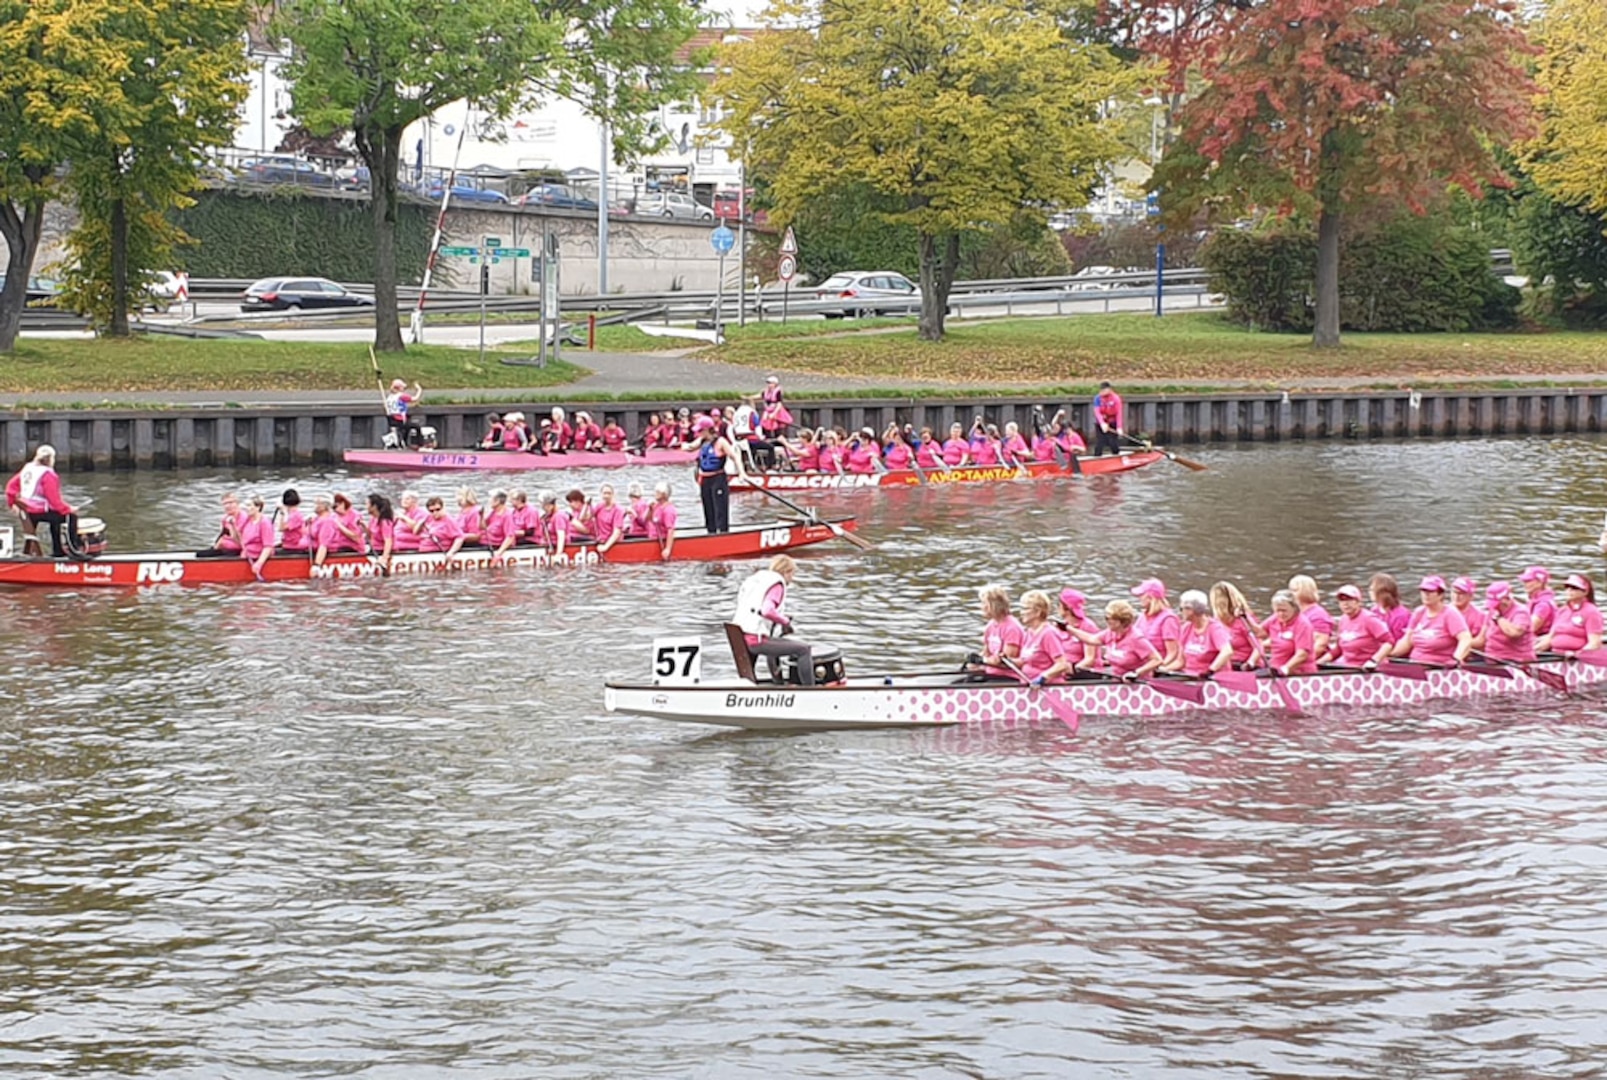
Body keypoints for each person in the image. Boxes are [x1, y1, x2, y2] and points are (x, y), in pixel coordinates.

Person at [735, 554, 816, 685]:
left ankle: (778, 684)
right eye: (792, 574)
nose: (792, 578)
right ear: (786, 572)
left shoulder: (758, 581)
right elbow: (767, 610)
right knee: (803, 650)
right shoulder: (777, 585)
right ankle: (811, 691)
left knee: (774, 642)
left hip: (742, 636)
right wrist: (785, 621)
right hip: (756, 640)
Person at [6, 445, 78, 558]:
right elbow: (54, 501)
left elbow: (10, 487)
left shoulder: (27, 469)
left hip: (26, 512)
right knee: (71, 517)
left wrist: (12, 504)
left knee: (56, 517)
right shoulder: (48, 475)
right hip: (38, 511)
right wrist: (69, 509)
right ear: (51, 459)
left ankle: (37, 552)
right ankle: (73, 550)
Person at [1391, 575, 1472, 666]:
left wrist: (1456, 659)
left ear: (1440, 594)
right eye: (1424, 591)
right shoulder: (1419, 613)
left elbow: (1465, 639)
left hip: (1440, 668)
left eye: (1430, 591)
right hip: (1416, 665)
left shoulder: (1450, 613)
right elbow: (1407, 641)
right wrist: (1388, 655)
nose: (1426, 595)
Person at [1078, 599, 1162, 681]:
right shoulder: (1110, 633)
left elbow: (1157, 660)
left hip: (1137, 683)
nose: (1106, 620)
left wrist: (1136, 673)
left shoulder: (1136, 638)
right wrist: (1067, 628)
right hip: (1117, 678)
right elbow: (1090, 640)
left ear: (1119, 621)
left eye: (1108, 618)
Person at [694, 416, 745, 534]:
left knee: (720, 510)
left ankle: (723, 533)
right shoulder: (702, 441)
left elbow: (735, 457)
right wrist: (684, 446)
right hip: (705, 480)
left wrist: (741, 473)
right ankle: (710, 533)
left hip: (718, 479)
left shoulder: (721, 442)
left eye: (700, 430)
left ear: (707, 430)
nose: (698, 433)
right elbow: (690, 447)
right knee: (708, 510)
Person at [1328, 583, 1393, 669]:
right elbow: (1338, 649)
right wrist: (1318, 663)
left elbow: (1389, 642)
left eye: (1350, 600)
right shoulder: (1343, 620)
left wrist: (1373, 661)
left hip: (1369, 668)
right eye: (1342, 600)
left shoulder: (1369, 619)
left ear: (1358, 602)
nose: (1345, 604)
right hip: (1350, 666)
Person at [1536, 573, 1603, 656]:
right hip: (1555, 655)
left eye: (1574, 588)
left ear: (1585, 592)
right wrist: (1531, 650)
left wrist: (1577, 654)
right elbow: (1550, 638)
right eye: (1567, 587)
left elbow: (1594, 643)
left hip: (1575, 658)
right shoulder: (1562, 611)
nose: (1569, 590)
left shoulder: (1592, 612)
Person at [1172, 589, 1233, 677]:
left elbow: (1227, 652)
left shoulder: (1215, 628)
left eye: (1182, 609)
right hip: (1190, 676)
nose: (1180, 612)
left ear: (1192, 610)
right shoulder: (1185, 628)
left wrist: (1210, 670)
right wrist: (1161, 669)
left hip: (1211, 678)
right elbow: (1180, 662)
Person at [1017, 590, 1072, 685]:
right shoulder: (1029, 632)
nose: (1021, 613)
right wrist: (1006, 660)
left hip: (1048, 687)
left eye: (1025, 609)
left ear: (1037, 612)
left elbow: (1062, 664)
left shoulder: (1048, 633)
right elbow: (1024, 661)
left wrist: (1043, 677)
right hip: (1028, 686)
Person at [971, 584, 1025, 678]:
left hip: (1009, 676)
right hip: (991, 673)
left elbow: (1006, 662)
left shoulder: (1012, 628)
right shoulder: (990, 626)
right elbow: (986, 652)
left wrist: (983, 660)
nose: (981, 607)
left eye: (984, 603)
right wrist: (974, 662)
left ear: (994, 605)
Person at [1130, 578, 1182, 670]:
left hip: (1155, 666)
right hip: (1141, 663)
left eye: (1141, 595)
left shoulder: (1168, 619)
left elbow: (1173, 653)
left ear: (1150, 597)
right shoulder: (1143, 616)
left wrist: (1159, 667)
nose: (1139, 598)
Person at [1209, 580, 1264, 668]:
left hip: (1245, 665)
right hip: (1228, 664)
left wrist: (1250, 663)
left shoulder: (1242, 620)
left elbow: (1258, 647)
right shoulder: (1214, 622)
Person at [1263, 589, 1318, 675]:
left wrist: (1285, 669)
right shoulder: (1275, 618)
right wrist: (1244, 617)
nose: (1280, 614)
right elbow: (1258, 632)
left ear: (1294, 608)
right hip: (1276, 668)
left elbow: (1302, 654)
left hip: (1299, 673)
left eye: (1284, 610)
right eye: (1277, 610)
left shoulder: (1303, 624)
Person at [1482, 581, 1537, 664]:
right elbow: (1481, 639)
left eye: (1497, 604)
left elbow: (1514, 633)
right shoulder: (1492, 611)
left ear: (1506, 599)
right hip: (1492, 660)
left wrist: (1499, 619)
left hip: (1516, 661)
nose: (1494, 607)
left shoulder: (1521, 612)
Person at [1051, 588, 1101, 669]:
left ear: (1067, 608)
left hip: (1083, 672)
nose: (1057, 608)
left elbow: (1089, 659)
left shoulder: (1088, 626)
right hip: (1063, 667)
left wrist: (1072, 670)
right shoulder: (1059, 626)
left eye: (1059, 604)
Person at [1288, 575, 1334, 661]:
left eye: (1294, 591)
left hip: (1309, 661)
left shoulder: (1318, 615)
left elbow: (1320, 645)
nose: (1290, 594)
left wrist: (1300, 661)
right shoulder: (1294, 613)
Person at [199, 493, 248, 558]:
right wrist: (215, 547)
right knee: (201, 554)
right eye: (225, 504)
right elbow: (222, 535)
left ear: (237, 504)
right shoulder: (225, 519)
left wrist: (232, 526)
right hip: (226, 547)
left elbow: (243, 541)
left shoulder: (243, 518)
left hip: (239, 549)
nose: (227, 506)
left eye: (230, 503)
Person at [240, 496, 276, 581]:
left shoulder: (265, 522)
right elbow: (239, 538)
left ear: (258, 507)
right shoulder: (247, 520)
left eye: (249, 505)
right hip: (246, 556)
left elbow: (268, 547)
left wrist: (259, 564)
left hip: (257, 557)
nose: (246, 508)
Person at [1369, 572, 1411, 642]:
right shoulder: (1374, 610)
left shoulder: (1401, 616)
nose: (1369, 592)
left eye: (1372, 590)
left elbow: (1398, 640)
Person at [384, 378, 425, 448]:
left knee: (407, 427)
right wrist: (419, 390)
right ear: (399, 388)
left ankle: (405, 443)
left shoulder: (389, 397)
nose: (404, 388)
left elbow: (399, 405)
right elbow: (415, 398)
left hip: (392, 420)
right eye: (402, 387)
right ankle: (420, 444)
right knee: (417, 426)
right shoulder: (401, 396)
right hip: (399, 420)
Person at [1519, 566, 1558, 639]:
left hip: (1542, 639)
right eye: (1524, 581)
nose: (1525, 584)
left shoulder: (1543, 604)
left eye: (1528, 581)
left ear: (1540, 582)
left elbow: (1531, 628)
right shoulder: (1535, 599)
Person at [1451, 576, 1488, 651]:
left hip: (1472, 657)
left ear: (1471, 596)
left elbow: (1480, 642)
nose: (1457, 596)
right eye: (1455, 592)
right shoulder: (1441, 611)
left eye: (1461, 593)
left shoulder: (1481, 616)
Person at [1092, 381, 1124, 456]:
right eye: (1101, 390)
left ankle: (1117, 457)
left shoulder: (1116, 399)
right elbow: (1097, 412)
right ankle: (1096, 458)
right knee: (1100, 443)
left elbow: (1119, 413)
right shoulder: (1097, 398)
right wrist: (1102, 423)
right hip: (1101, 423)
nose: (1101, 392)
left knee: (1113, 443)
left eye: (1103, 390)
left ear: (1109, 390)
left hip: (1112, 422)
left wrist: (1119, 427)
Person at [592, 484, 626, 553]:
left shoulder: (618, 510)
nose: (606, 496)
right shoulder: (599, 506)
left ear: (613, 495)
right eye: (604, 493)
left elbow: (617, 532)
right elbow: (586, 518)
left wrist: (605, 547)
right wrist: (586, 505)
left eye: (609, 493)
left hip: (613, 543)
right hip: (601, 540)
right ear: (601, 494)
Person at [366, 494, 396, 572]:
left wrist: (384, 558)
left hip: (381, 551)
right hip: (373, 549)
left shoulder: (385, 522)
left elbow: (388, 541)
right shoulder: (373, 519)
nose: (366, 507)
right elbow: (369, 535)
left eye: (367, 504)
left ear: (374, 506)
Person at [649, 481, 678, 560]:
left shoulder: (668, 510)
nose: (655, 494)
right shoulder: (657, 506)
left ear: (664, 494)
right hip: (653, 537)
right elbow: (649, 520)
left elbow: (670, 530)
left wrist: (668, 549)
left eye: (658, 492)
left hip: (662, 540)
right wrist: (650, 510)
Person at [307, 497, 339, 566]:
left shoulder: (327, 521)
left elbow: (323, 545)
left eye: (317, 504)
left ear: (324, 507)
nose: (314, 506)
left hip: (317, 550)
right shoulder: (316, 519)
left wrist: (316, 565)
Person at [277, 489, 309, 553]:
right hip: (291, 543)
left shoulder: (295, 515)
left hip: (294, 544)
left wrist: (282, 513)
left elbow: (281, 528)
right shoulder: (294, 514)